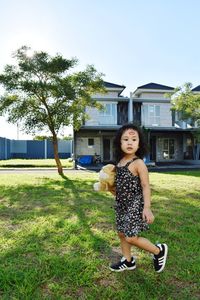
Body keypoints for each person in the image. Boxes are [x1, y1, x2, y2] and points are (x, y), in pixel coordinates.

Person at [109, 123, 168, 273]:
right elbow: (119, 190)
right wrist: (110, 188)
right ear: (119, 143)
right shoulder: (119, 164)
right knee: (121, 233)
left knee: (130, 237)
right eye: (126, 139)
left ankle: (158, 251)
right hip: (121, 205)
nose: (130, 142)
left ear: (139, 143)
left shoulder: (138, 163)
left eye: (134, 139)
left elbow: (146, 186)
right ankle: (128, 261)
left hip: (135, 204)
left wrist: (147, 207)